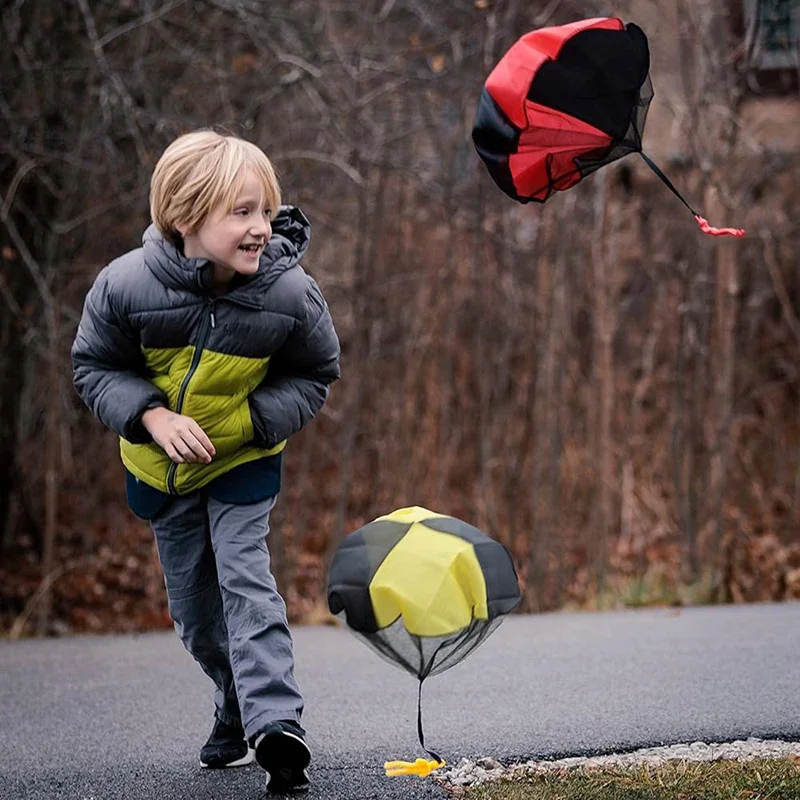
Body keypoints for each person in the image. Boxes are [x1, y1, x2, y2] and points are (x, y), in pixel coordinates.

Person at [71, 129, 340, 793]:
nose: (261, 228)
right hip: (161, 470)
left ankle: (278, 726)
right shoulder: (125, 287)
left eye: (264, 211)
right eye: (241, 213)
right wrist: (151, 416)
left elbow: (315, 374)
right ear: (185, 217)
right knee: (195, 615)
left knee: (247, 584)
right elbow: (93, 365)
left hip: (242, 461)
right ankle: (232, 698)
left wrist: (252, 421)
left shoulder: (288, 294)